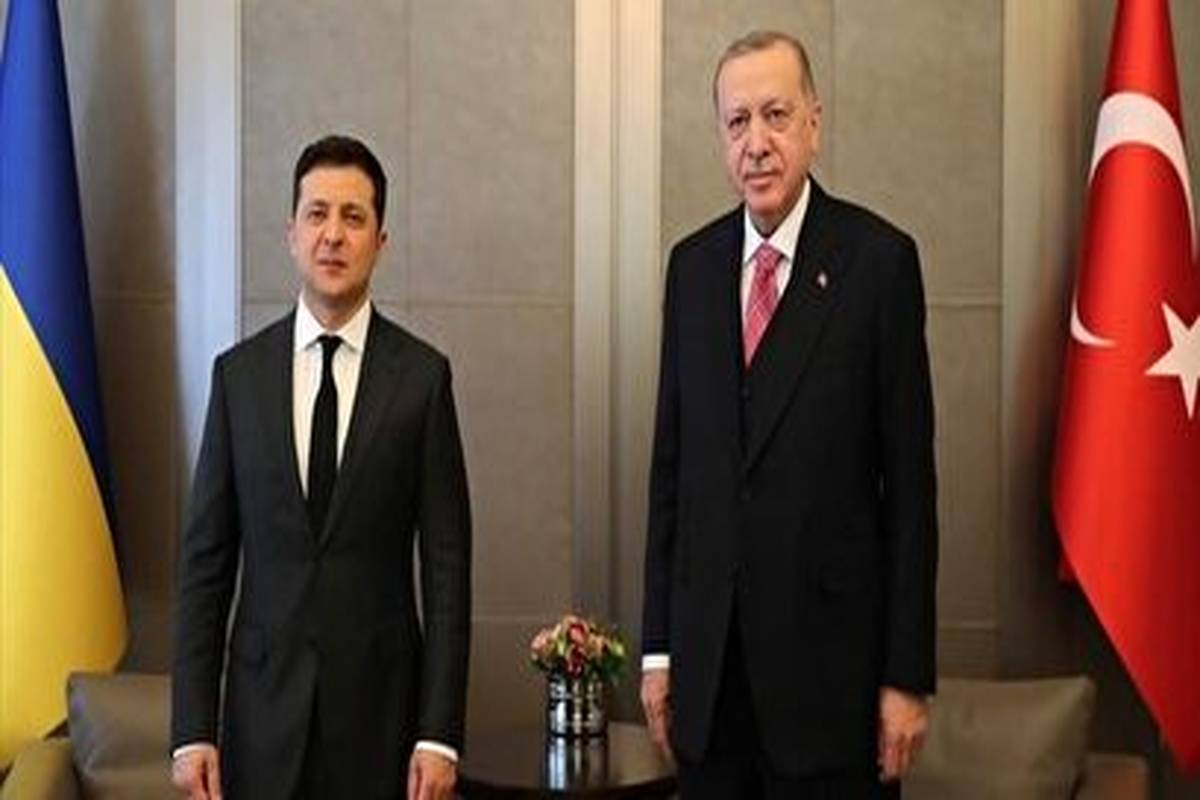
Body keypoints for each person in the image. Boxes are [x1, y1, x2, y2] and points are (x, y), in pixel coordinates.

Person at [640, 31, 937, 799]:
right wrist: (659, 652)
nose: (757, 143)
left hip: (832, 694)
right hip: (710, 690)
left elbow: (910, 493)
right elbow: (673, 477)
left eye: (776, 115)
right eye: (737, 122)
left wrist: (906, 677)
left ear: (814, 122)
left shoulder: (878, 264)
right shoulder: (693, 268)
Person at [170, 134, 472, 800]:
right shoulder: (238, 378)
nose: (333, 234)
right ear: (292, 233)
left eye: (353, 217)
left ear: (380, 242)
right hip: (260, 720)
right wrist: (192, 728)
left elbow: (447, 568)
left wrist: (439, 733)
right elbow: (205, 562)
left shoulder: (422, 380)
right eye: (317, 214)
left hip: (382, 722)